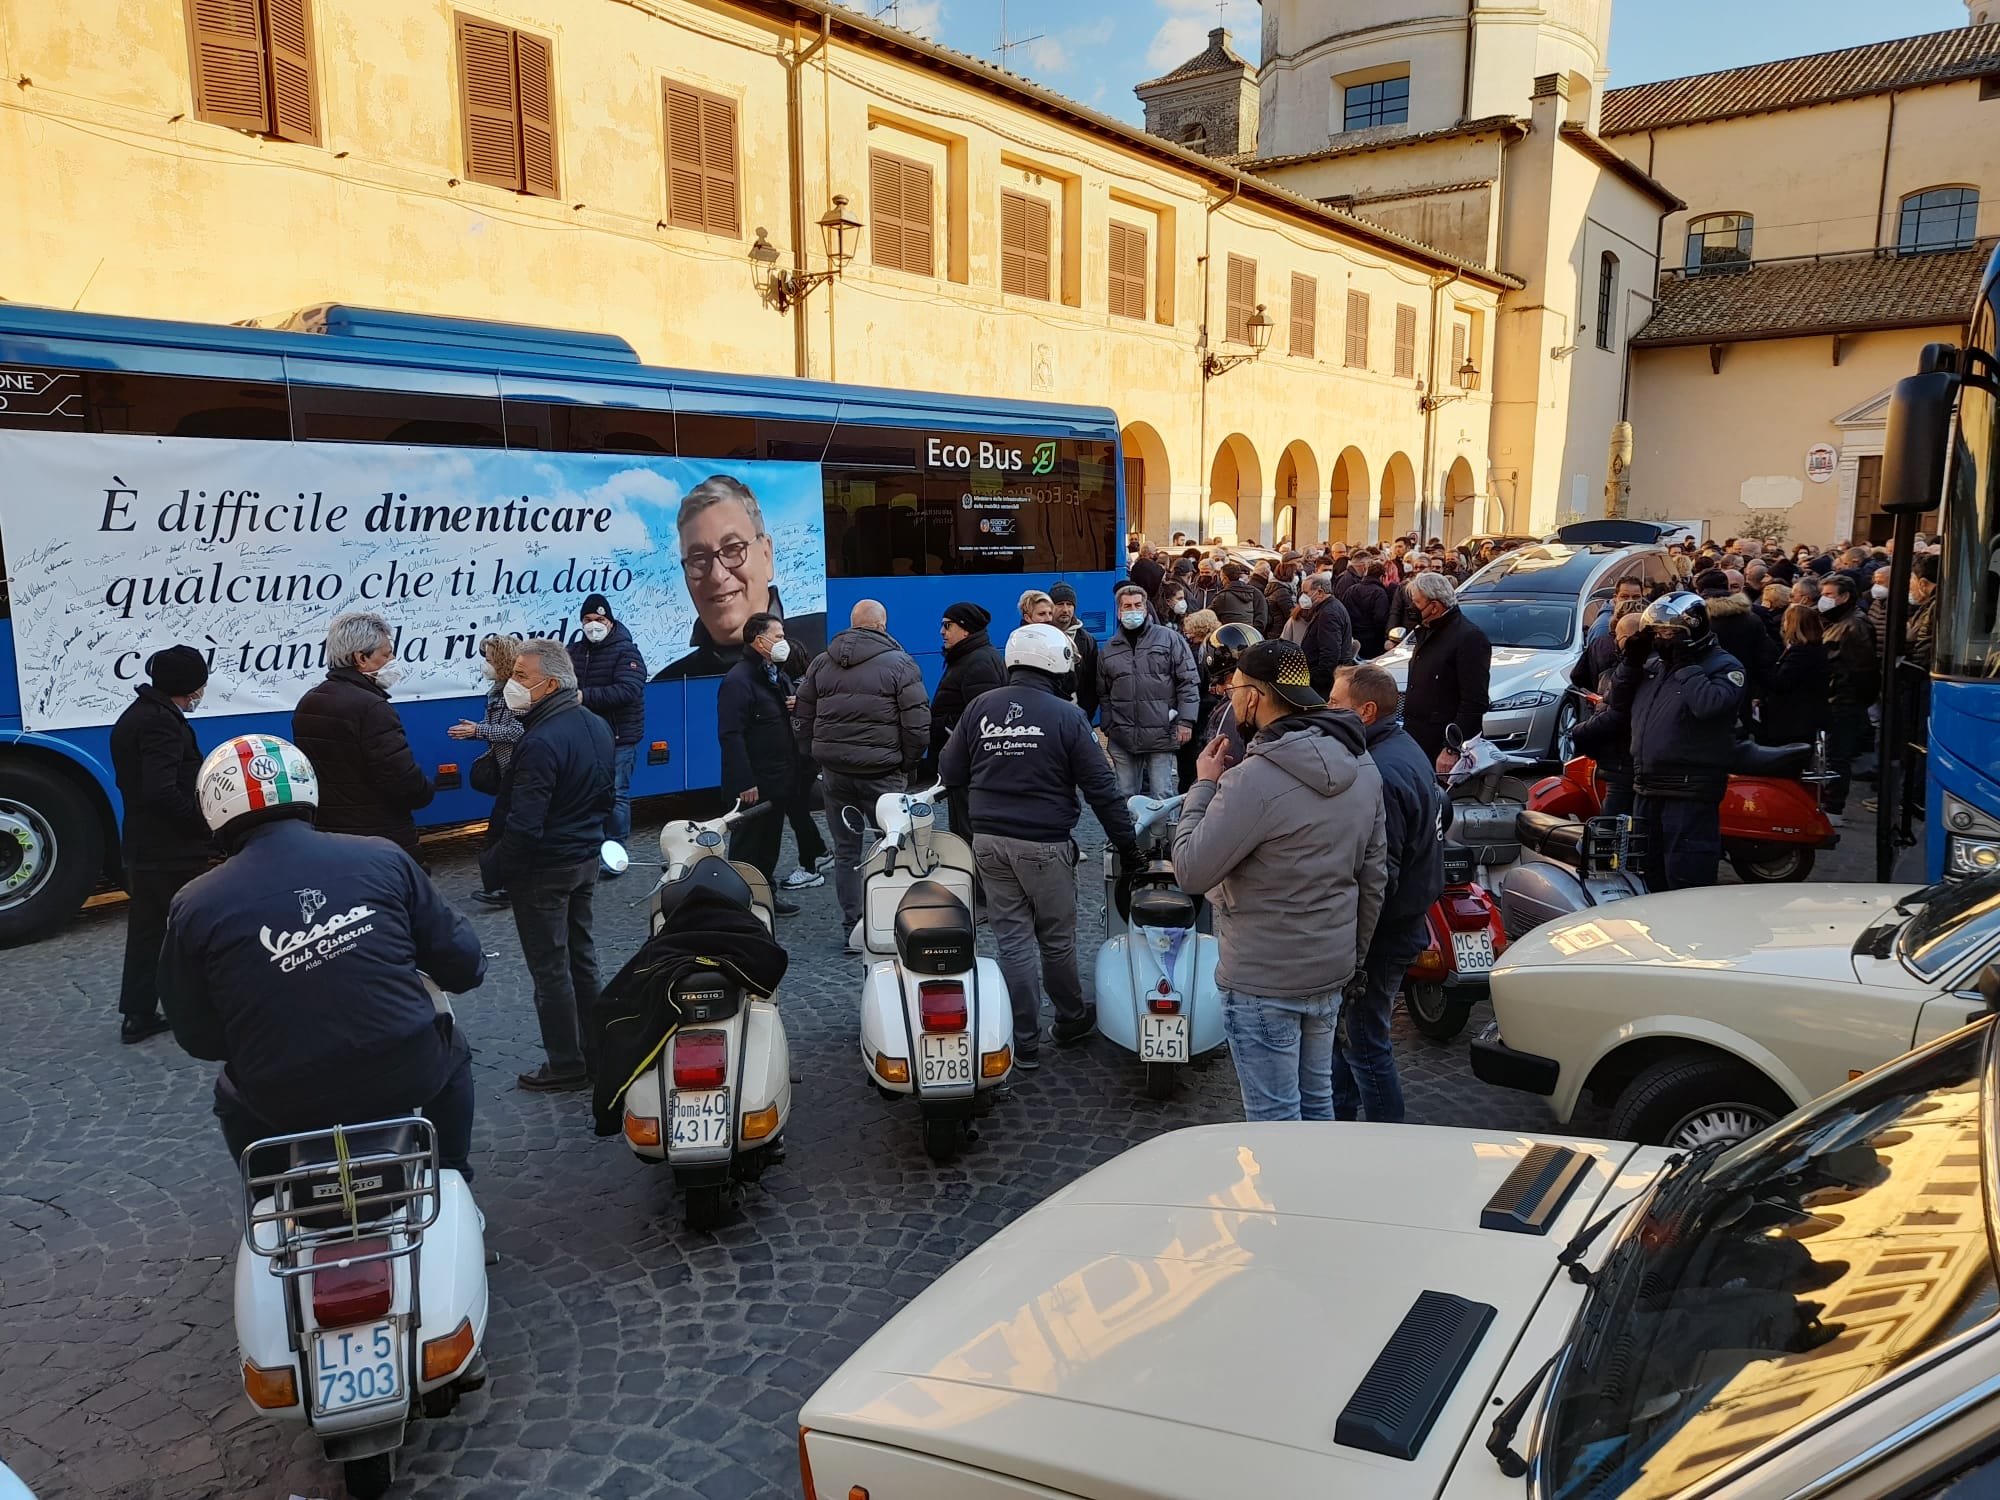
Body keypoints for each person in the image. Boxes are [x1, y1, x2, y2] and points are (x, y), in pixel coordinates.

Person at [159, 735, 486, 1175]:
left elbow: (196, 1033)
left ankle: (272, 1199)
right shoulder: (383, 857)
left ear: (214, 810)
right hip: (403, 1068)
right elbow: (462, 963)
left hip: (282, 1092)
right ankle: (450, 1173)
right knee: (453, 1051)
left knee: (232, 1098)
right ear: (307, 788)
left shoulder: (195, 903)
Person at [1172, 641, 1387, 1122]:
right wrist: (1350, 959)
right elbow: (1374, 879)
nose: (1231, 702)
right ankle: (1318, 1196)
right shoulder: (1363, 765)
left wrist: (1204, 784)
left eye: (1234, 692)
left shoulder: (1252, 779)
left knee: (1275, 1122)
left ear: (1254, 697)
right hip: (1328, 967)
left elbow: (1190, 870)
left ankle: (1287, 1198)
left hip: (1263, 975)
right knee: (1317, 1105)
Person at [940, 625, 1142, 1066]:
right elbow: (1102, 789)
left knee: (1011, 939)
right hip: (1044, 843)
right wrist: (1128, 845)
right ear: (1058, 665)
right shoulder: (1066, 716)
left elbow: (949, 769)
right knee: (1055, 939)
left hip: (988, 841)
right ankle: (1070, 1018)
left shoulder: (979, 707)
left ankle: (1023, 1041)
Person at [481, 639, 616, 1090]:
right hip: (582, 858)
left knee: (551, 969)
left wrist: (502, 868)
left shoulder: (540, 740)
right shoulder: (595, 725)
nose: (511, 685)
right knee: (582, 958)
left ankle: (565, 1063)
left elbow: (525, 823)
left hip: (545, 869)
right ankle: (596, 1053)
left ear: (551, 684)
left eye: (521, 677)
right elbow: (606, 798)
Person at [1325, 665, 1441, 1124]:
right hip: (1400, 921)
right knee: (1349, 1038)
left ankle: (1384, 1140)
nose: (1328, 709)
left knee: (1365, 1043)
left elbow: (1380, 878)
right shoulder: (1400, 748)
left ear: (1366, 710)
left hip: (1383, 934)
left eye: (1335, 702)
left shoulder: (1384, 772)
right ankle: (1337, 1118)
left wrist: (1352, 947)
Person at [793, 600, 930, 946]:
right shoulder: (901, 664)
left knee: (846, 851)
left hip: (836, 774)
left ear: (852, 624)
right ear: (883, 626)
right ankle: (891, 923)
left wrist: (814, 754)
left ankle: (853, 924)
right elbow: (917, 725)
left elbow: (802, 717)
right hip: (884, 773)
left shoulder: (821, 662)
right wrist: (907, 764)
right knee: (891, 845)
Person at [109, 645, 214, 1044]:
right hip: (170, 847)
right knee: (195, 926)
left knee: (149, 931)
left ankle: (138, 1013)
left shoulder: (139, 714)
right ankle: (209, 1003)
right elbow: (162, 791)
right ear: (188, 686)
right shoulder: (161, 723)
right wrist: (203, 825)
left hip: (144, 843)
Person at [1609, 593, 1745, 891]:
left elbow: (1710, 705)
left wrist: (1687, 665)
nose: (1662, 639)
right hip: (1647, 783)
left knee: (1686, 873)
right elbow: (1616, 701)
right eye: (1657, 633)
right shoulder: (1656, 665)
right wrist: (1631, 663)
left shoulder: (1723, 666)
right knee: (1647, 872)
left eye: (1669, 633)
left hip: (1689, 788)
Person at [653, 475, 827, 681]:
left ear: (766, 555)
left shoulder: (825, 645)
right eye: (698, 558)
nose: (717, 576)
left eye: (733, 549)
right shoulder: (671, 681)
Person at [292, 611, 434, 859]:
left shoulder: (308, 703)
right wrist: (426, 790)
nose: (393, 660)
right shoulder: (372, 708)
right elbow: (401, 777)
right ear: (361, 658)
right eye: (386, 654)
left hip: (329, 837)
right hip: (380, 838)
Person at [715, 613, 809, 916]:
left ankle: (765, 894)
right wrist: (744, 782)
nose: (784, 642)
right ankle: (738, 903)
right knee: (747, 846)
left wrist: (794, 704)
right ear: (760, 640)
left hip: (778, 778)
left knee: (769, 844)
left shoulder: (774, 675)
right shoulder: (738, 680)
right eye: (779, 636)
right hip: (754, 782)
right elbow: (731, 734)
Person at [1097, 582, 1199, 799]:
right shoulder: (1109, 649)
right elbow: (1103, 692)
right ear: (1119, 610)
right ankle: (1129, 834)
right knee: (1126, 795)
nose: (1132, 610)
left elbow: (1188, 681)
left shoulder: (1169, 639)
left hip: (1161, 731)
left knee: (1161, 793)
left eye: (1137, 605)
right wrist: (1108, 724)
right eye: (1127, 606)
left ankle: (1161, 834)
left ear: (1145, 608)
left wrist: (1185, 721)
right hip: (1122, 734)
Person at [568, 593, 648, 859]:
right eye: (588, 620)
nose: (594, 625)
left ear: (611, 622)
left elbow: (628, 690)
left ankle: (615, 851)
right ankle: (592, 847)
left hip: (619, 737)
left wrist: (584, 696)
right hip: (586, 738)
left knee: (616, 795)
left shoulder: (626, 652)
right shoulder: (575, 652)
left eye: (600, 619)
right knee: (587, 795)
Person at [453, 633, 527, 907]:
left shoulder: (517, 692)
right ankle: (501, 887)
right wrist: (473, 731)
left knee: (504, 830)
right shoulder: (497, 691)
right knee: (503, 830)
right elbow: (495, 729)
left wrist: (479, 730)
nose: (485, 664)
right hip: (507, 771)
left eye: (490, 659)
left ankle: (506, 888)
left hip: (519, 771)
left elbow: (518, 732)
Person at [1400, 572, 1492, 773]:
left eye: (1417, 602)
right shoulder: (1426, 630)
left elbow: (1474, 701)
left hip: (1441, 743)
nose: (1412, 607)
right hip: (1416, 738)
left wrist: (1452, 747)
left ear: (1434, 606)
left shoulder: (1469, 637)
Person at [929, 602, 1006, 835]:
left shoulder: (978, 661)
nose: (942, 631)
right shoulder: (970, 657)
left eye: (947, 625)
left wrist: (944, 727)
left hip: (970, 765)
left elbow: (983, 719)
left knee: (969, 831)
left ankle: (974, 871)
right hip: (964, 762)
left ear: (966, 629)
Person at [1818, 573, 1878, 823]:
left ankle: (1834, 807)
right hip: (1835, 697)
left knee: (1837, 755)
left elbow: (1861, 670)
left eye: (1829, 595)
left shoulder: (1855, 626)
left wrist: (1847, 695)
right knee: (1830, 753)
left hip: (1844, 700)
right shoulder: (1837, 620)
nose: (1824, 600)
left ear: (1844, 597)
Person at [1697, 569, 1775, 734]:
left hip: (1703, 688)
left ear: (1699, 590)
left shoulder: (1696, 620)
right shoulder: (1751, 618)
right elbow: (1766, 656)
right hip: (1742, 688)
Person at [1758, 603, 1831, 748]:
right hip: (1803, 714)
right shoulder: (1813, 648)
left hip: (1795, 718)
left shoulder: (1801, 652)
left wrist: (1763, 670)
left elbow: (1782, 682)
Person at [1297, 572, 1353, 697]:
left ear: (1320, 592)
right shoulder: (1328, 608)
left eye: (1306, 593)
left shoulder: (1329, 613)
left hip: (1324, 684)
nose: (1303, 597)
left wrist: (1317, 681)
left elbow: (1330, 653)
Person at [1048, 583, 1099, 718]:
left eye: (1069, 604)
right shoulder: (1042, 636)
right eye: (1060, 604)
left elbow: (1092, 683)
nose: (1065, 609)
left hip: (1077, 715)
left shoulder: (1087, 640)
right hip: (1047, 714)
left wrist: (1086, 713)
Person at [1346, 561, 1393, 658]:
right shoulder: (1379, 593)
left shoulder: (1351, 589)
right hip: (1373, 640)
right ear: (1381, 577)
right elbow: (1380, 618)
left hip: (1353, 636)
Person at [1212, 561, 1269, 632]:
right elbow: (1262, 616)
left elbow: (1209, 615)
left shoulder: (1222, 596)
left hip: (1229, 637)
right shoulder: (1255, 592)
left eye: (1221, 577)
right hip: (1252, 637)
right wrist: (1253, 632)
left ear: (1225, 578)